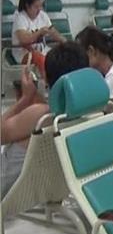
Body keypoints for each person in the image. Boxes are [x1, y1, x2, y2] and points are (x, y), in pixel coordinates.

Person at [1, 42, 88, 199]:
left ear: (45, 77)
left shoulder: (40, 116)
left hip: (11, 192)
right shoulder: (90, 112)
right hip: (48, 190)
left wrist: (25, 99)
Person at [11, 0, 66, 77]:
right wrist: (39, 32)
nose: (39, 9)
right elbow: (24, 40)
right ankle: (46, 82)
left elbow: (53, 32)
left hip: (42, 50)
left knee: (61, 55)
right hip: (23, 53)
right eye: (36, 7)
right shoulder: (20, 18)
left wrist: (65, 42)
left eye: (41, 6)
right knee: (39, 58)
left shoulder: (43, 15)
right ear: (27, 6)